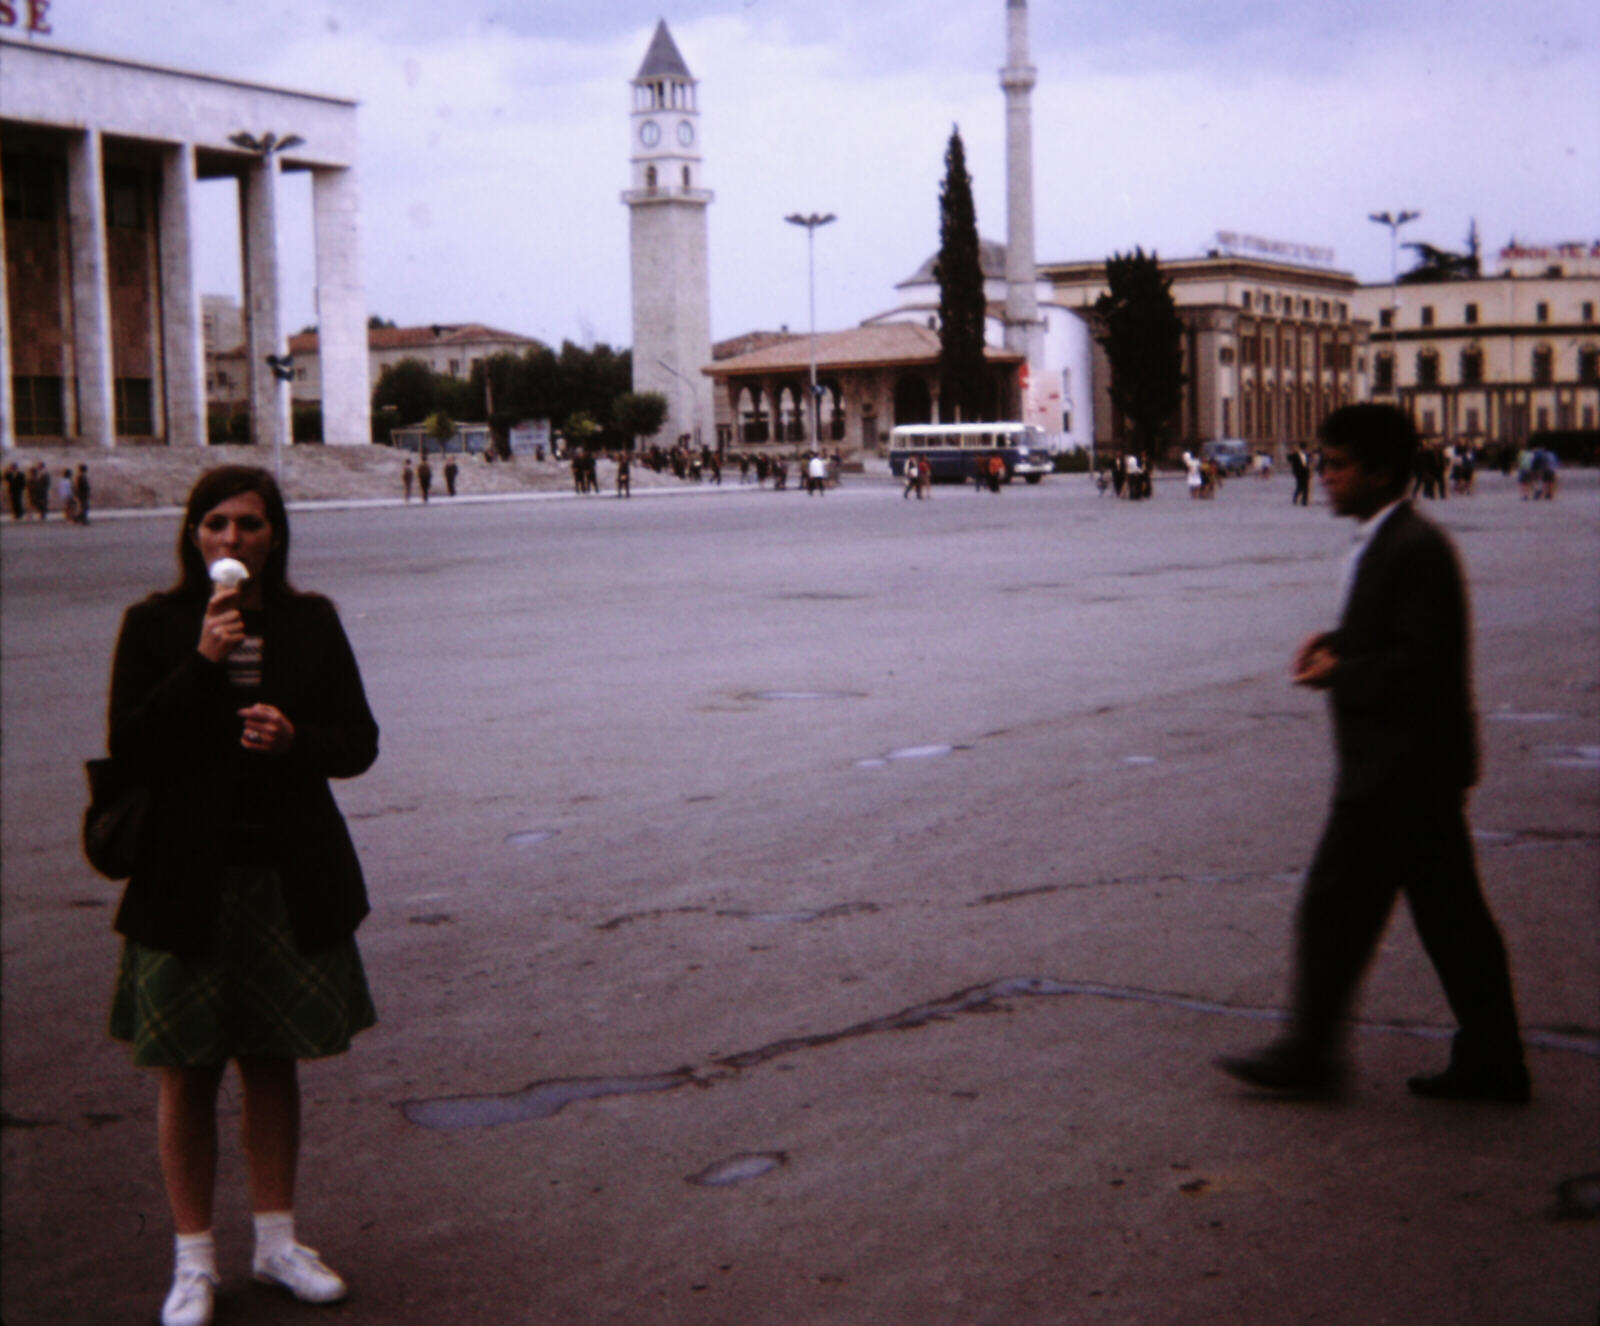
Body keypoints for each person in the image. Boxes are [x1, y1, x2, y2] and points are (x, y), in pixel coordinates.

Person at [103, 466, 379, 1325]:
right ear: (194, 535)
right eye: (217, 524)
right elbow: (132, 744)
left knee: (271, 1061)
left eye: (250, 526)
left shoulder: (310, 623)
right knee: (184, 1072)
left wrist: (296, 739)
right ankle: (193, 1261)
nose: (233, 540)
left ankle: (276, 1241)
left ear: (275, 536)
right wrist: (202, 662)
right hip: (185, 875)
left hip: (284, 872)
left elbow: (358, 742)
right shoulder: (155, 625)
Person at [1216, 405, 1528, 1103]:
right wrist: (1337, 639)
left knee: (1337, 909)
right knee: (1451, 922)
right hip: (1410, 768)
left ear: (1381, 472)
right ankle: (1494, 1060)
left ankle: (1312, 1054)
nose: (1322, 477)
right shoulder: (1392, 539)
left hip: (1400, 770)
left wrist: (1339, 672)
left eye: (1335, 465)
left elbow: (1420, 663)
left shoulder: (1413, 547)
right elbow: (1395, 637)